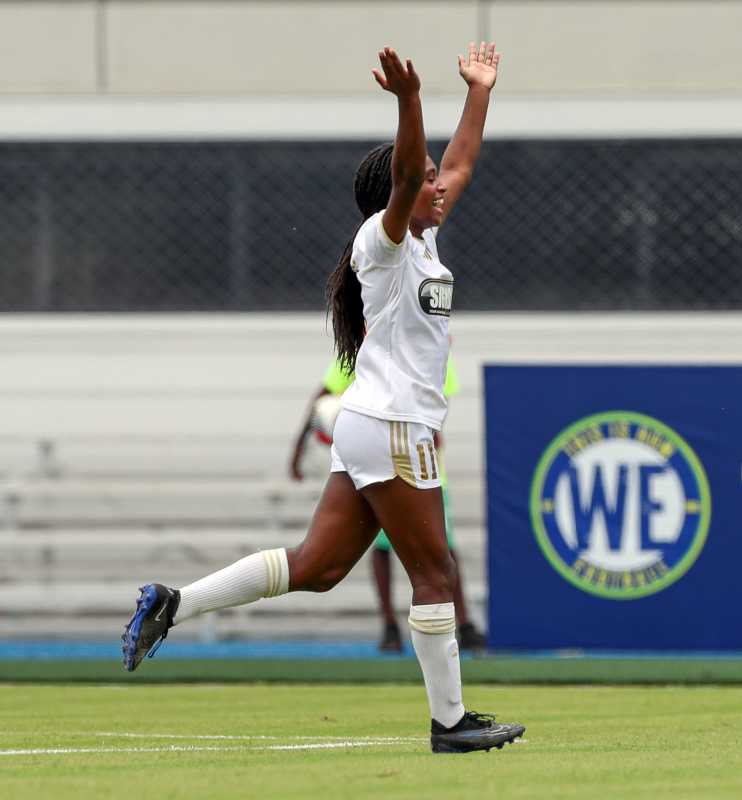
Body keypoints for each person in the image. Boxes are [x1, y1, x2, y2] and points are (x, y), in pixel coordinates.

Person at [123, 43, 523, 754]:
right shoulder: (385, 240)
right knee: (433, 572)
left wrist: (480, 93)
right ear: (394, 199)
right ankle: (450, 722)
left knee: (318, 568)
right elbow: (407, 173)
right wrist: (408, 102)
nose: (438, 186)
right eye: (423, 182)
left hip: (372, 425)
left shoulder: (423, 241)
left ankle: (174, 603)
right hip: (394, 425)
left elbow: (454, 165)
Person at [288, 356, 487, 653]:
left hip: (423, 468)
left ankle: (462, 624)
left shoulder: (433, 345)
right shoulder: (364, 349)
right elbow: (324, 397)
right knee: (383, 549)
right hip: (379, 466)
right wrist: (298, 448)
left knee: (441, 550)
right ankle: (391, 626)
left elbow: (437, 405)